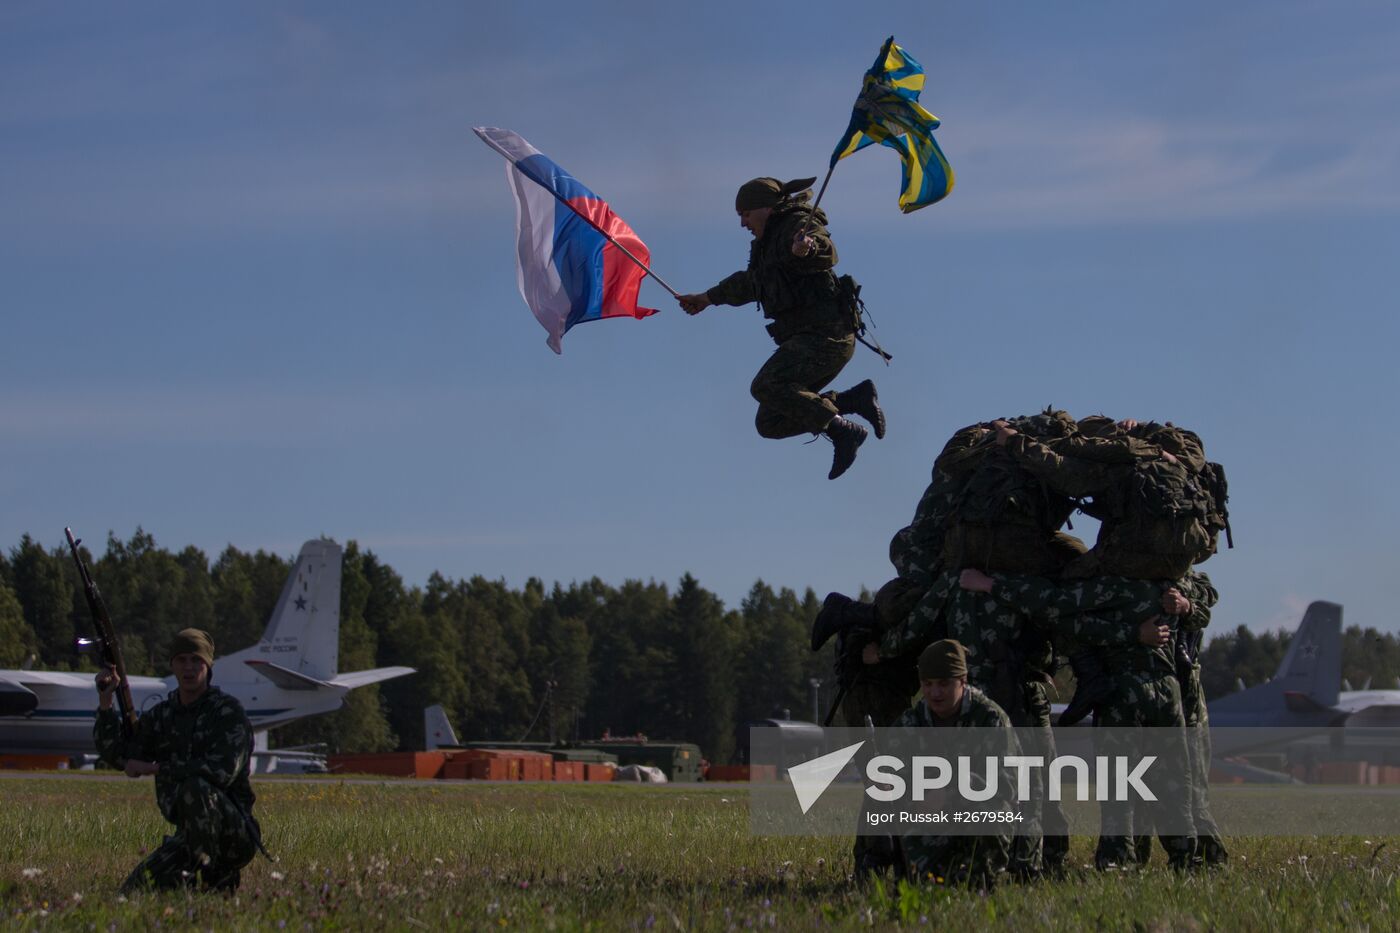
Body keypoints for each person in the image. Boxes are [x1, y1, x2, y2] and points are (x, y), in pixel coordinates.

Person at [677, 176, 884, 479]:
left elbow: (825, 249)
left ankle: (844, 431)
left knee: (766, 386)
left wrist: (807, 250)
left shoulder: (796, 225)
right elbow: (751, 283)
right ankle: (852, 401)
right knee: (770, 422)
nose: (743, 223)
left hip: (827, 335)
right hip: (808, 337)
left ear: (765, 208)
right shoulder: (765, 246)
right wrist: (707, 298)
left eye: (745, 214)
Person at [94, 628, 261, 893]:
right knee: (135, 891)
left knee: (196, 786)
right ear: (172, 664)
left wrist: (156, 768)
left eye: (196, 660)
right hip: (188, 837)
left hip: (232, 836)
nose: (189, 667)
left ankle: (216, 879)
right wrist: (106, 700)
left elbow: (220, 772)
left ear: (208, 665)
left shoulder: (227, 713)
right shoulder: (164, 716)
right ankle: (190, 878)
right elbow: (119, 755)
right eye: (181, 660)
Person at [893, 640, 1016, 888]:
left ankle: (984, 876)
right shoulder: (910, 723)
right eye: (928, 685)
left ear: (962, 680)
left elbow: (1006, 787)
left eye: (944, 684)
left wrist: (950, 792)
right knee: (924, 885)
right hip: (929, 818)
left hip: (976, 816)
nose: (935, 693)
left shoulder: (990, 719)